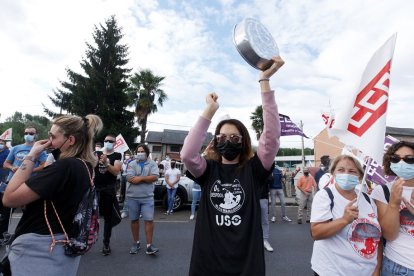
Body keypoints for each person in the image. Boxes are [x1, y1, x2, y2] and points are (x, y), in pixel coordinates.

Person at [180, 56, 284, 275]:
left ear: (244, 141)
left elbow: (272, 137)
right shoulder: (207, 171)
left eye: (235, 137)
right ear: (215, 141)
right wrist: (210, 109)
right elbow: (188, 154)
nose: (228, 141)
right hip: (208, 261)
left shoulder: (254, 170)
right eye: (222, 136)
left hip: (246, 263)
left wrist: (264, 81)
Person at [2, 114, 103, 275]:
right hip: (62, 250)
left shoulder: (63, 168)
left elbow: (10, 198)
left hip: (40, 253)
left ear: (70, 140)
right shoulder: (85, 166)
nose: (48, 141)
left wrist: (32, 155)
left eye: (53, 136)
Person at [310, 154, 382, 276]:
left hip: (366, 271)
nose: (346, 174)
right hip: (333, 271)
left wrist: (376, 268)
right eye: (341, 170)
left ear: (360, 176)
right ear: (333, 173)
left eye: (352, 171)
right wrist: (344, 220)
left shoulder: (367, 199)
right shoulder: (325, 195)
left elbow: (377, 237)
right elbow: (316, 233)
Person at [371, 141, 414, 275]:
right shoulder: (382, 191)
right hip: (399, 266)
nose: (402, 163)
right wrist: (394, 204)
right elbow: (389, 235)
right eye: (396, 159)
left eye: (409, 159)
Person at [1, 127, 48, 242]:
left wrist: (29, 170)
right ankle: (2, 236)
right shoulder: (16, 148)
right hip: (13, 183)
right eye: (26, 133)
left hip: (30, 185)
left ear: (35, 135)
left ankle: (27, 237)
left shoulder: (39, 149)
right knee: (6, 211)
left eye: (31, 133)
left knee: (30, 212)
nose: (28, 135)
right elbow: (6, 163)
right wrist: (12, 168)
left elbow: (43, 165)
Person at [126, 144, 159, 255]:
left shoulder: (152, 164)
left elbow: (154, 177)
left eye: (142, 151)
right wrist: (146, 179)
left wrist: (140, 178)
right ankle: (136, 243)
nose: (140, 153)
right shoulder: (131, 164)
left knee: (149, 220)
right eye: (138, 151)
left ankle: (149, 246)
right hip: (132, 197)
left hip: (147, 197)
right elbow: (130, 178)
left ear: (146, 152)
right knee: (134, 220)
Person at [94, 134, 122, 256]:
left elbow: (116, 172)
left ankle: (106, 243)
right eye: (106, 141)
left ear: (115, 143)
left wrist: (106, 162)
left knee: (108, 219)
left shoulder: (117, 155)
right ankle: (83, 241)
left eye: (111, 141)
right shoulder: (96, 153)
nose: (108, 142)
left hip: (108, 190)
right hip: (95, 189)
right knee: (89, 216)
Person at [261, 175, 274, 252]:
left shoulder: (265, 171)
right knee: (250, 221)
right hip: (251, 198)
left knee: (265, 221)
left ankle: (265, 240)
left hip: (263, 197)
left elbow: (271, 180)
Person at [120, 152, 132, 218]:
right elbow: (124, 170)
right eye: (126, 155)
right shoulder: (125, 162)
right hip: (127, 178)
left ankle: (139, 211)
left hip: (133, 179)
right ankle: (125, 211)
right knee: (126, 195)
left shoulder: (132, 161)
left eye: (127, 155)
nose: (126, 156)